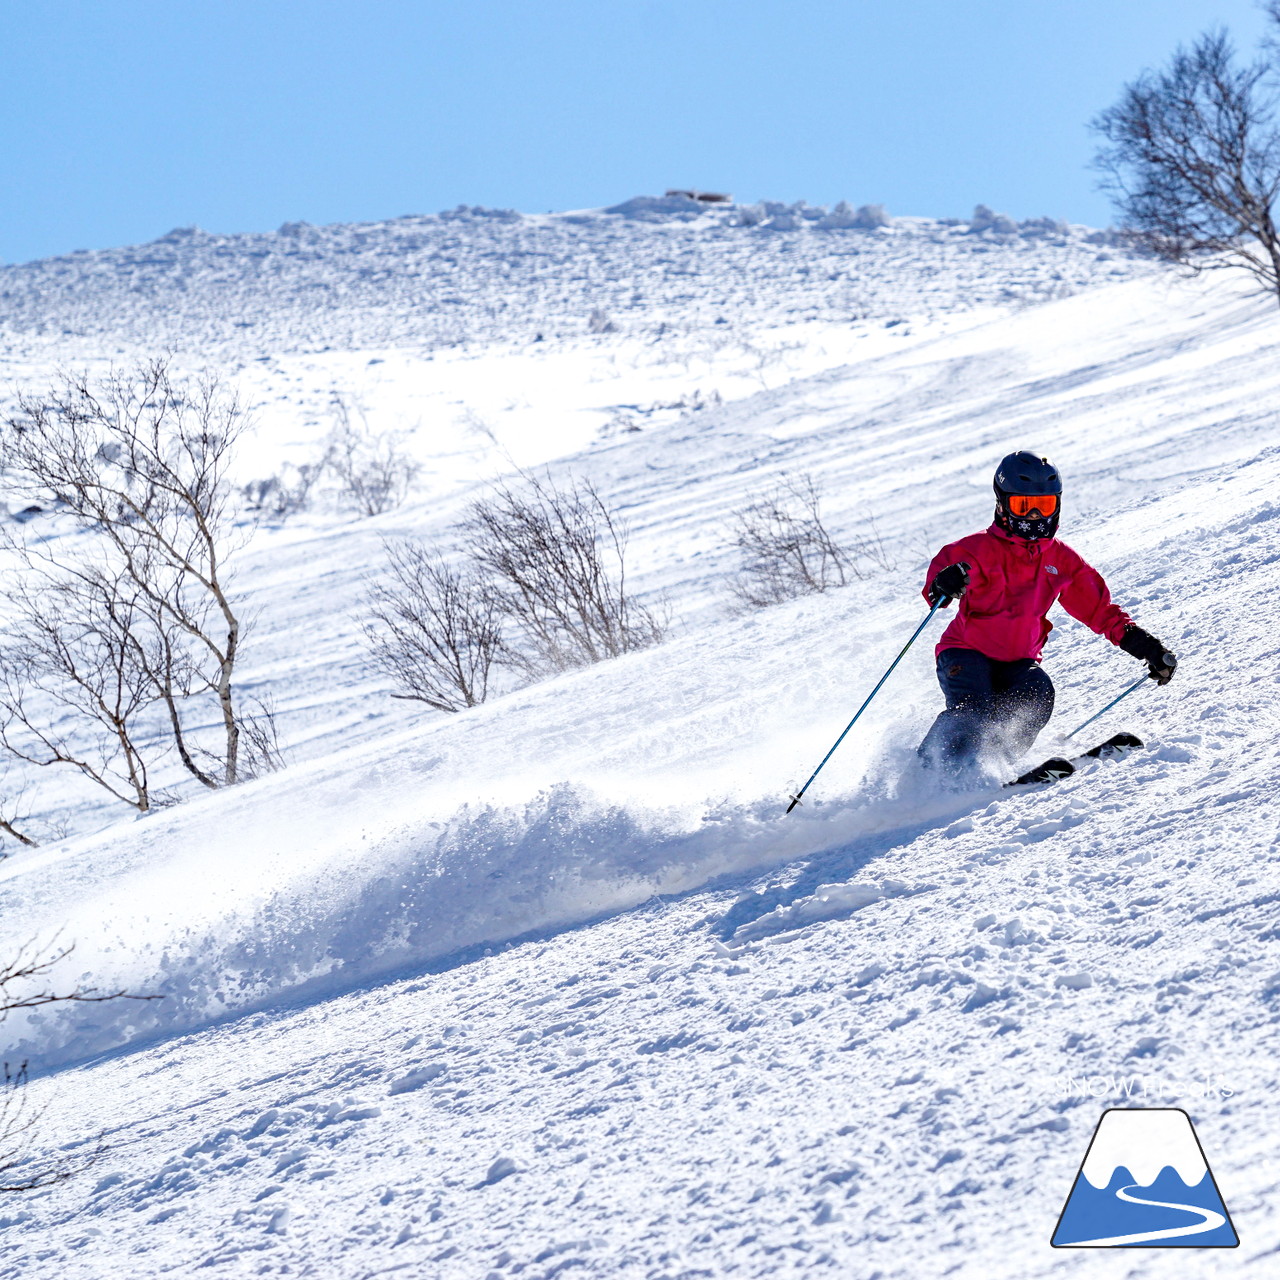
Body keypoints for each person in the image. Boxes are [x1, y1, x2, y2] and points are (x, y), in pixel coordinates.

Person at [917, 450, 1176, 776]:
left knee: (1037, 696)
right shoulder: (976, 550)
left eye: (1046, 505)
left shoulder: (1062, 560)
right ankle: (929, 773)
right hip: (965, 653)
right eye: (1024, 506)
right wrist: (945, 583)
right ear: (1002, 503)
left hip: (1019, 661)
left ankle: (997, 769)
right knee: (973, 711)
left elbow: (1100, 611)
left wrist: (1146, 647)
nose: (1036, 516)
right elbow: (938, 586)